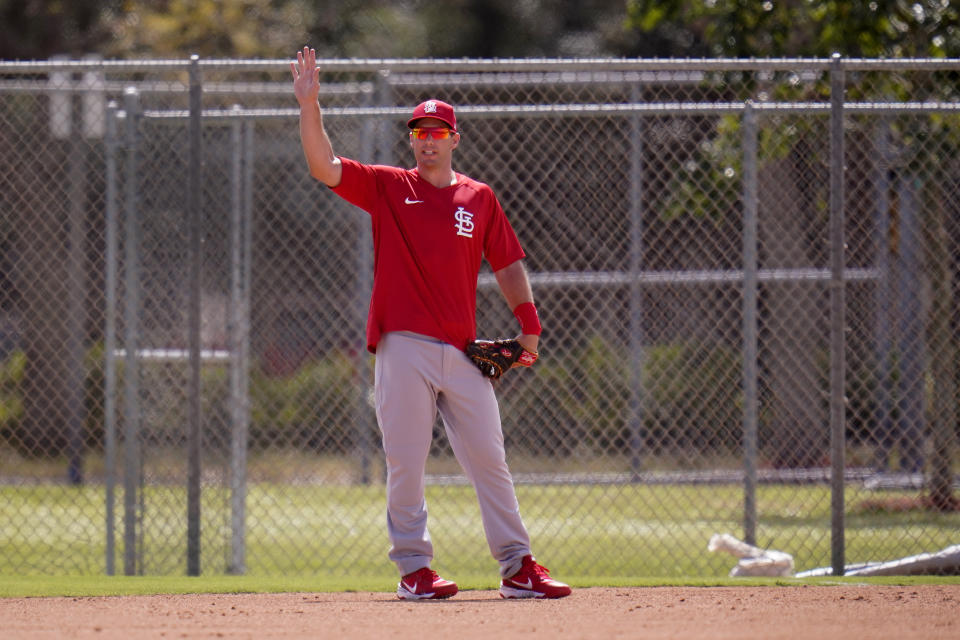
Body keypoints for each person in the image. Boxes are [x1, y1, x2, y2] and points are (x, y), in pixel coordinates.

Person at [291, 47, 571, 600]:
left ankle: (517, 567)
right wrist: (310, 106)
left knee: (490, 458)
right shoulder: (392, 186)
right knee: (407, 461)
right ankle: (415, 569)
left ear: (454, 139)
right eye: (419, 130)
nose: (427, 138)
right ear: (412, 139)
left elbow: (508, 261)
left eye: (438, 130)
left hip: (463, 350)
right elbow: (324, 167)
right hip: (404, 346)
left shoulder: (478, 198)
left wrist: (528, 324)